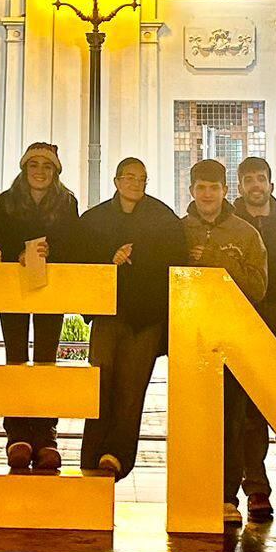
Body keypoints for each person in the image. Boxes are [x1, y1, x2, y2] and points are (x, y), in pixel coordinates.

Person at [76, 157, 186, 480]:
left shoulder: (163, 218)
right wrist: (108, 258)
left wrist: (140, 257)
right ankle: (91, 454)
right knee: (100, 383)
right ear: (116, 181)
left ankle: (117, 456)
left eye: (141, 179)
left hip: (145, 318)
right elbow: (79, 257)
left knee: (132, 388)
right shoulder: (94, 219)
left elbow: (175, 260)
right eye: (129, 177)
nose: (135, 184)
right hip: (107, 314)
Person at [184, 158, 267, 526]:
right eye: (201, 188)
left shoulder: (246, 234)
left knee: (231, 420)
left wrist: (217, 260)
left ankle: (226, 496)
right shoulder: (177, 230)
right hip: (190, 337)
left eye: (214, 188)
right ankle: (191, 493)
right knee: (192, 420)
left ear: (225, 191)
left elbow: (258, 288)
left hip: (233, 338)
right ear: (191, 191)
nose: (207, 194)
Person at [0, 142, 81, 473]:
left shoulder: (67, 201)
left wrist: (51, 251)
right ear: (24, 168)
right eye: (34, 165)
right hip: (13, 290)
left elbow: (74, 242)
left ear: (56, 172)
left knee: (46, 362)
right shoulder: (6, 200)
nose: (40, 171)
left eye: (47, 166)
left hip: (50, 290)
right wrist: (17, 252)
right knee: (15, 359)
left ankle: (45, 435)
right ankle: (16, 434)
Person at [230, 156, 276, 520]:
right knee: (248, 417)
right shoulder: (228, 229)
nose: (255, 185)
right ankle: (256, 489)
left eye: (261, 178)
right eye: (249, 180)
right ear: (240, 187)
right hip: (243, 331)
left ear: (271, 185)